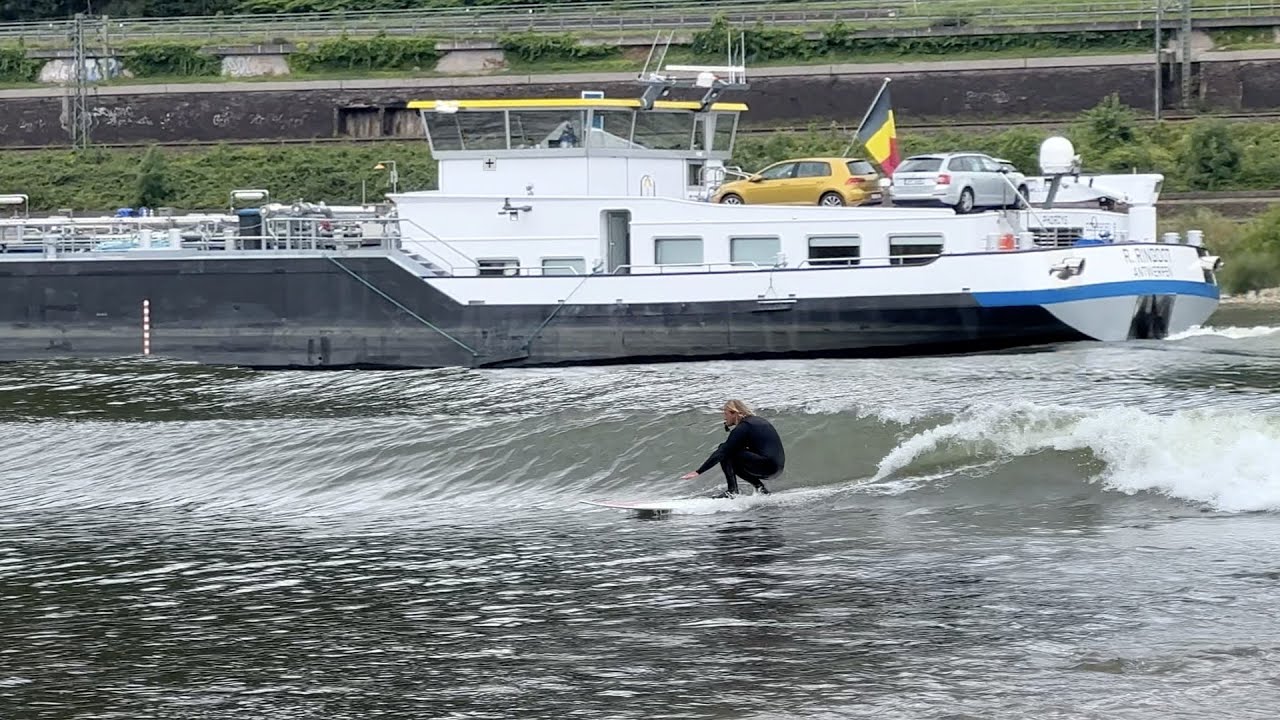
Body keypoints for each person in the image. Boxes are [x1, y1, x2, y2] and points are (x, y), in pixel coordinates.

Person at [681, 399, 785, 498]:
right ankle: (761, 489)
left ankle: (732, 490)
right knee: (735, 453)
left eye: (726, 414)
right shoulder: (756, 422)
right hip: (777, 467)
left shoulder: (744, 426)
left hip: (767, 466)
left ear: (734, 413)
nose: (724, 418)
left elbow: (723, 451)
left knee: (725, 450)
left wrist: (698, 471)